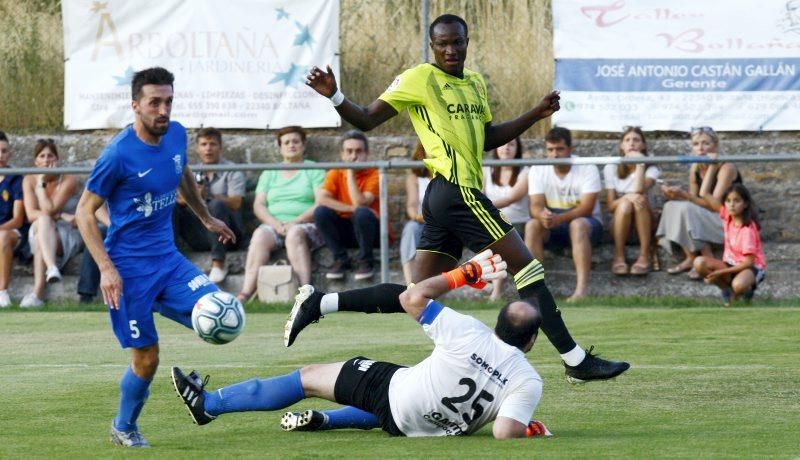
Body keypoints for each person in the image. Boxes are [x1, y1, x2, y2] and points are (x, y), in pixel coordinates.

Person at [300, 13, 629, 383]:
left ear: (467, 42)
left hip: (450, 196)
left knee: (417, 293)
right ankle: (575, 359)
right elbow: (365, 118)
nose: (450, 50)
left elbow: (487, 137)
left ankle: (321, 302)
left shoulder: (474, 83)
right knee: (528, 268)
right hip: (455, 191)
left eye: (457, 42)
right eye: (442, 44)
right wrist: (335, 95)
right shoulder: (419, 78)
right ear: (432, 46)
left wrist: (536, 113)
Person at [173, 251, 551, 439]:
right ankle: (327, 421)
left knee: (307, 378)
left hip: (393, 395)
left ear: (497, 324)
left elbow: (412, 297)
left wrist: (462, 275)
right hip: (414, 427)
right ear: (532, 341)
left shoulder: (469, 331)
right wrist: (528, 429)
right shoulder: (528, 380)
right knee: (397, 394)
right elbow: (504, 432)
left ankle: (210, 404)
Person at [75, 67, 235, 448]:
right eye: (154, 103)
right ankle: (124, 427)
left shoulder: (177, 134)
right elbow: (84, 211)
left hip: (168, 260)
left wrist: (206, 216)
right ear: (135, 105)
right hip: (128, 272)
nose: (163, 110)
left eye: (168, 101)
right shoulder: (117, 155)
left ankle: (165, 308)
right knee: (148, 359)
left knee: (225, 315)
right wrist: (106, 269)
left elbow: (183, 173)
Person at [236, 126, 325, 302]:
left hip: (305, 224)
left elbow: (320, 202)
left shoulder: (315, 169)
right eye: (286, 142)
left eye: (295, 141)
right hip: (275, 224)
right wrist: (276, 224)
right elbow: (259, 204)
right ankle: (245, 293)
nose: (291, 145)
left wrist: (296, 221)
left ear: (303, 145)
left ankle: (305, 294)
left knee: (294, 234)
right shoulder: (270, 172)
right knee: (260, 234)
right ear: (280, 147)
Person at [527, 127, 603, 302]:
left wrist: (558, 218)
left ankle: (581, 291)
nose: (554, 154)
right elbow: (535, 206)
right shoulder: (538, 169)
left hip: (587, 223)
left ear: (570, 149)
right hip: (554, 222)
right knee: (532, 225)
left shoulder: (586, 167)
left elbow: (587, 208)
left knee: (578, 225)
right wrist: (542, 216)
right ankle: (533, 292)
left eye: (560, 149)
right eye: (550, 150)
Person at [656, 126, 741, 280]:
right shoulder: (695, 167)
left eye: (705, 143)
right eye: (696, 144)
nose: (700, 148)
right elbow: (695, 201)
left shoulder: (726, 168)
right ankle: (691, 257)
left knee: (687, 208)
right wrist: (675, 195)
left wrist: (686, 195)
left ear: (715, 146)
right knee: (671, 206)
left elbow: (713, 205)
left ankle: (707, 260)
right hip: (706, 217)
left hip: (729, 221)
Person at [173, 127, 245, 283]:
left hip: (228, 235)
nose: (208, 149)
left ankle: (219, 264)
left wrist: (208, 197)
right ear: (197, 149)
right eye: (204, 144)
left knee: (216, 205)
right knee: (171, 207)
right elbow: (178, 200)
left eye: (212, 144)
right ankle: (169, 259)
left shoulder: (232, 170)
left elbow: (236, 202)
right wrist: (191, 198)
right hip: (199, 234)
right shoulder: (190, 171)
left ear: (220, 147)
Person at [20, 139, 82, 307]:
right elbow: (31, 214)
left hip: (67, 232)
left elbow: (50, 209)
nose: (46, 160)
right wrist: (61, 215)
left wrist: (41, 186)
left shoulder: (68, 179)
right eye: (42, 156)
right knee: (42, 226)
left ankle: (38, 292)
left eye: (50, 156)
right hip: (43, 229)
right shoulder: (29, 180)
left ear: (57, 159)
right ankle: (51, 268)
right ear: (36, 161)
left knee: (43, 228)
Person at [314, 130, 381, 281]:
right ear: (342, 154)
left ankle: (365, 260)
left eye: (358, 151)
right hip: (346, 230)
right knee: (321, 212)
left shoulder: (375, 174)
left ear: (367, 153)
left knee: (362, 213)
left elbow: (360, 203)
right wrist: (351, 208)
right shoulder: (335, 172)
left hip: (370, 233)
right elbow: (322, 199)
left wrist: (349, 172)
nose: (353, 156)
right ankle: (341, 259)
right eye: (349, 151)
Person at [693, 183, 765, 306]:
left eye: (737, 201)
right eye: (728, 201)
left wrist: (719, 273)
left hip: (749, 268)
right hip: (730, 265)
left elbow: (749, 262)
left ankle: (744, 292)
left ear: (745, 204)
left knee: (738, 285)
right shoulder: (727, 217)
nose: (731, 204)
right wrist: (713, 166)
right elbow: (704, 193)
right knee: (699, 263)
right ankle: (727, 291)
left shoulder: (747, 230)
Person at [603, 127, 660, 276]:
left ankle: (644, 255)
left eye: (636, 140)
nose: (632, 144)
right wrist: (626, 198)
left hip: (645, 222)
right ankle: (619, 255)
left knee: (638, 200)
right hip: (619, 222)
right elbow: (610, 206)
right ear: (622, 146)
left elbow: (639, 190)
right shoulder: (611, 167)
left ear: (643, 146)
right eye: (627, 140)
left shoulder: (652, 168)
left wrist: (640, 164)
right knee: (627, 203)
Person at [483, 137, 530, 300]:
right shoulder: (486, 171)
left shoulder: (525, 172)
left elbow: (511, 198)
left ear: (518, 148)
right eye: (502, 143)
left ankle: (496, 291)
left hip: (517, 222)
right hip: (493, 221)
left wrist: (484, 207)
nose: (506, 148)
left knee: (498, 236)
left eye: (511, 144)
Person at [0, 131, 26, 308]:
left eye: (4, 151)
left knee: (2, 238)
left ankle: (2, 292)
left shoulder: (16, 177)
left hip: (13, 231)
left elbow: (17, 219)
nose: (0, 155)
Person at [400, 143, 430, 285]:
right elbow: (411, 206)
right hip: (423, 221)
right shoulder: (415, 177)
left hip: (446, 223)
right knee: (411, 229)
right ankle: (411, 286)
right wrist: (418, 217)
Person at [76, 204, 110, 304]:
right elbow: (97, 208)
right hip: (114, 227)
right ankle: (86, 294)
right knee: (95, 236)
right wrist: (113, 226)